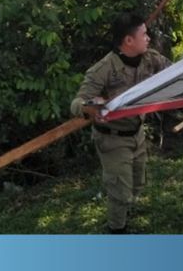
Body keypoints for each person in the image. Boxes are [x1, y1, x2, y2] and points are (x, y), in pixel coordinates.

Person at [70, 13, 171, 233]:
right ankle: (116, 231)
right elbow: (77, 103)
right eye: (144, 34)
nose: (148, 39)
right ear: (128, 40)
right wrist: (90, 107)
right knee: (120, 190)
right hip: (112, 139)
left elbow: (175, 71)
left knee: (137, 181)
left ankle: (126, 212)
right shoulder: (103, 69)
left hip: (137, 133)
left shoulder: (150, 58)